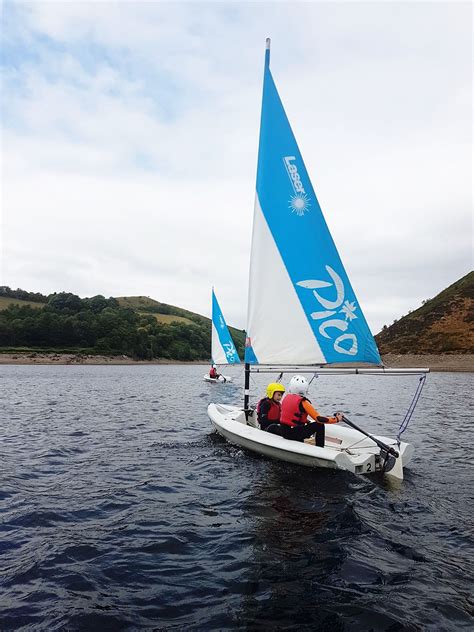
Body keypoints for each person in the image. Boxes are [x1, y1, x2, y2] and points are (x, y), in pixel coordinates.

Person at [278, 375, 342, 447]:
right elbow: (319, 419)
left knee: (308, 424)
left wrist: (306, 421)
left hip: (284, 432)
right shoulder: (304, 402)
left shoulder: (286, 398)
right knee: (319, 425)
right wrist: (336, 419)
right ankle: (320, 448)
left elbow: (290, 416)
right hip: (294, 434)